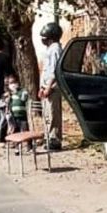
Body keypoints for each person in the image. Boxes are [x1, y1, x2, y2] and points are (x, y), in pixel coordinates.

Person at [39, 22, 63, 151]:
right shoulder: (49, 49)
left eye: (45, 37)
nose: (43, 40)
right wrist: (41, 87)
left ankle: (55, 139)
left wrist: (48, 87)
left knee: (53, 114)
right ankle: (48, 137)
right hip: (45, 86)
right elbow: (45, 70)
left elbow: (54, 70)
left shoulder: (55, 49)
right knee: (47, 114)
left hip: (52, 87)